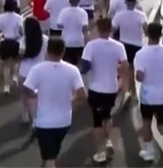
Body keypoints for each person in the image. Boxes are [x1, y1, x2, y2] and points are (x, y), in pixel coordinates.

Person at [23, 37, 87, 168]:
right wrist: (72, 104)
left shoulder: (37, 69)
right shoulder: (72, 70)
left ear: (47, 51)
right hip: (64, 122)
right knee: (52, 153)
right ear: (63, 51)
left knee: (50, 158)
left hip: (44, 122)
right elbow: (82, 95)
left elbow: (26, 89)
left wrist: (35, 94)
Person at [80, 17, 129, 163]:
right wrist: (122, 83)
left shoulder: (91, 46)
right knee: (107, 115)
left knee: (97, 121)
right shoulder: (119, 46)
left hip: (96, 87)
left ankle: (100, 153)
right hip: (112, 87)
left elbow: (85, 68)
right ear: (111, 29)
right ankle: (108, 141)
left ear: (98, 29)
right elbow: (125, 66)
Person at [134, 22, 163, 162]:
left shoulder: (141, 54)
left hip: (148, 96)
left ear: (147, 34)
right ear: (161, 35)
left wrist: (141, 77)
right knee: (162, 125)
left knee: (146, 123)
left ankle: (149, 151)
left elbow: (140, 76)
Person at [112, 0, 145, 105]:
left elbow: (113, 29)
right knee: (132, 68)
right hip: (137, 45)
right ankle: (133, 92)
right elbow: (146, 29)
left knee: (124, 69)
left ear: (125, 2)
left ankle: (126, 91)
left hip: (123, 44)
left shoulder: (119, 15)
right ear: (136, 3)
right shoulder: (141, 15)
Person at [18, 16, 48, 125]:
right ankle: (36, 118)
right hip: (40, 71)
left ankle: (25, 114)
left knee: (24, 95)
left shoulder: (23, 40)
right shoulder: (45, 39)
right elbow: (47, 55)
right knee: (37, 97)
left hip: (25, 72)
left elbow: (20, 55)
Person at [0, 0, 24, 94]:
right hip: (15, 42)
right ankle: (15, 76)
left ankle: (6, 86)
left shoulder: (1, 16)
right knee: (15, 61)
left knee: (6, 65)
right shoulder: (18, 17)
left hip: (5, 42)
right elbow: (21, 30)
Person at [58, 0, 89, 66]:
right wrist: (87, 40)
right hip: (79, 42)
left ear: (69, 1)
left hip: (66, 42)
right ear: (79, 1)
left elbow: (59, 25)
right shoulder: (83, 12)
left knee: (66, 64)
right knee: (77, 64)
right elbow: (85, 27)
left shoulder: (63, 11)